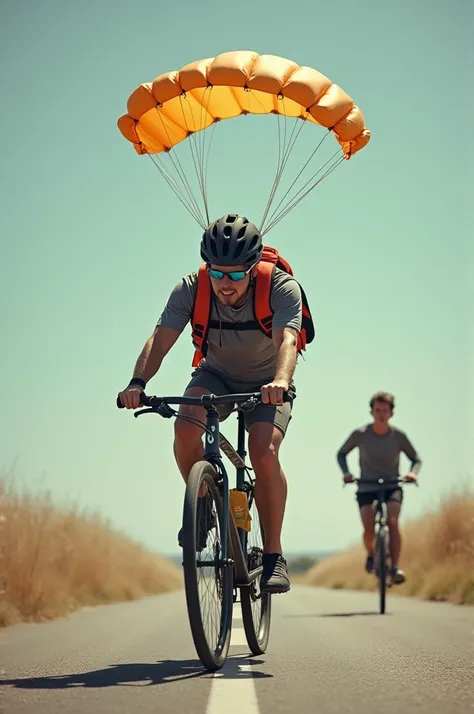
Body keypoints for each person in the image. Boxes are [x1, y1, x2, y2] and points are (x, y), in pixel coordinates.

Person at [118, 214, 309, 595]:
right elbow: (161, 338)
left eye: (237, 275)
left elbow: (288, 339)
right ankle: (203, 503)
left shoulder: (282, 288)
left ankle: (273, 555)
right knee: (185, 424)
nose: (226, 283)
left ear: (254, 269)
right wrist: (138, 383)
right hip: (216, 374)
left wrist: (281, 381)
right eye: (218, 272)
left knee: (263, 448)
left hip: (269, 381)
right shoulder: (191, 289)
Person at [336, 391, 422, 584]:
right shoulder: (360, 434)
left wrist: (412, 473)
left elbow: (416, 459)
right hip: (366, 485)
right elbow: (341, 454)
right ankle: (371, 555)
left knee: (392, 521)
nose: (381, 413)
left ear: (391, 413)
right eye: (377, 410)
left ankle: (395, 568)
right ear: (371, 412)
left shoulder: (398, 436)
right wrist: (346, 473)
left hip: (392, 485)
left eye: (385, 410)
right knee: (368, 527)